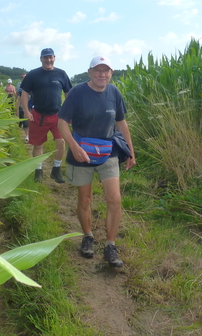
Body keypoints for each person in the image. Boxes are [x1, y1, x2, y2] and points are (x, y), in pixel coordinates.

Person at [57, 55, 136, 267]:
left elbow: (121, 123)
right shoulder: (77, 93)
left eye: (106, 70)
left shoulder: (114, 92)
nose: (102, 74)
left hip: (108, 152)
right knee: (85, 199)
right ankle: (88, 236)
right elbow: (62, 123)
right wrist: (75, 147)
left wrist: (130, 150)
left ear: (111, 73)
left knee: (115, 199)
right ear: (90, 73)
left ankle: (110, 245)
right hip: (81, 153)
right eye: (97, 70)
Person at [20, 48, 72, 183]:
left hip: (57, 115)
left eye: (50, 57)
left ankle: (56, 170)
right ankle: (38, 171)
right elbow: (24, 93)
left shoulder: (61, 74)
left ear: (54, 58)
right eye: (45, 57)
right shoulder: (33, 74)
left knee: (61, 142)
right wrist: (26, 111)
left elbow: (68, 94)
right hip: (38, 115)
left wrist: (69, 112)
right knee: (38, 145)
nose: (48, 60)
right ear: (41, 59)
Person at [16, 73, 29, 141]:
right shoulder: (20, 87)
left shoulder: (32, 85)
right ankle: (27, 135)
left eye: (25, 77)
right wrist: (17, 108)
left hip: (31, 107)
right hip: (22, 107)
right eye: (22, 77)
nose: (24, 78)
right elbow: (19, 97)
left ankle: (30, 134)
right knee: (25, 122)